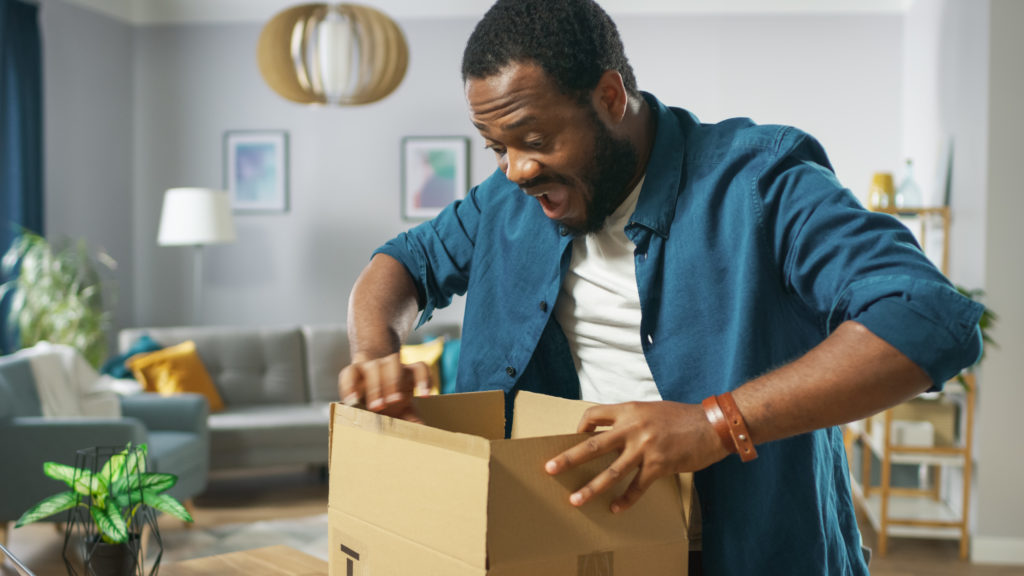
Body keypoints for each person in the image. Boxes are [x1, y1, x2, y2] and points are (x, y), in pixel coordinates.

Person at [338, 0, 985, 574]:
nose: (515, 170)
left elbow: (928, 317)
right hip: (553, 541)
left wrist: (714, 423)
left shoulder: (760, 180)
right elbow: (401, 265)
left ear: (612, 98)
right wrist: (374, 354)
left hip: (738, 548)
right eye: (495, 147)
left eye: (534, 141)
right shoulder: (505, 203)